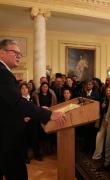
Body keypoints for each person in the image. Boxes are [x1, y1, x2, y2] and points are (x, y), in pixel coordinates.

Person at [0, 39, 66, 180]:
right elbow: (17, 102)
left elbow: (8, 104)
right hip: (7, 135)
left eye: (20, 54)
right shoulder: (3, 73)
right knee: (16, 173)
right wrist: (48, 114)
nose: (19, 56)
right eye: (15, 52)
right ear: (1, 53)